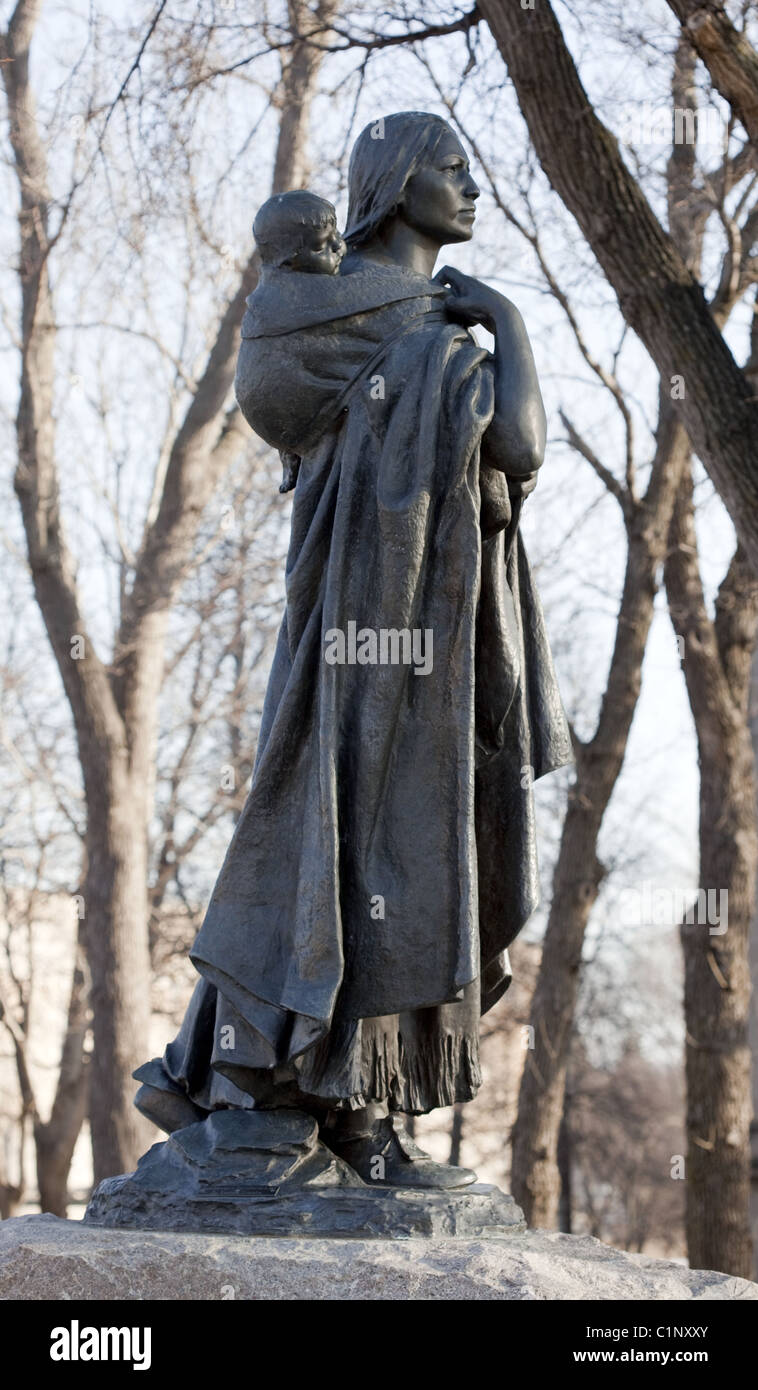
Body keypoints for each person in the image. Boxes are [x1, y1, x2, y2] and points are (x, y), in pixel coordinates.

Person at [134, 112, 573, 1189]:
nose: (470, 186)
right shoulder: (346, 318)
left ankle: (346, 1103)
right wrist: (504, 328)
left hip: (432, 633)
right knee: (326, 829)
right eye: (449, 168)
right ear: (392, 182)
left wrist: (486, 330)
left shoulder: (434, 328)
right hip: (351, 621)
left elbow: (506, 461)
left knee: (401, 847)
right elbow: (517, 443)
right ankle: (254, 1085)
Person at [250, 190, 347, 492]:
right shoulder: (306, 297)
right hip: (287, 402)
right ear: (290, 263)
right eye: (322, 247)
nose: (340, 247)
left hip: (274, 411)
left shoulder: (268, 292)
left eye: (337, 234)